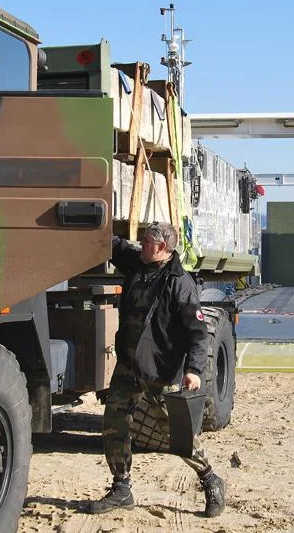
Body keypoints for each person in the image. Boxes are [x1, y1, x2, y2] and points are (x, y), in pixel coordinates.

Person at [89, 221, 226, 517]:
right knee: (114, 425)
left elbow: (198, 333)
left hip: (160, 370)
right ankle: (121, 488)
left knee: (177, 434)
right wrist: (90, 220)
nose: (141, 246)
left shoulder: (180, 283)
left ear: (162, 247)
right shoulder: (137, 263)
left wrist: (194, 370)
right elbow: (113, 244)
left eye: (146, 243)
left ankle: (210, 480)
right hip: (129, 365)